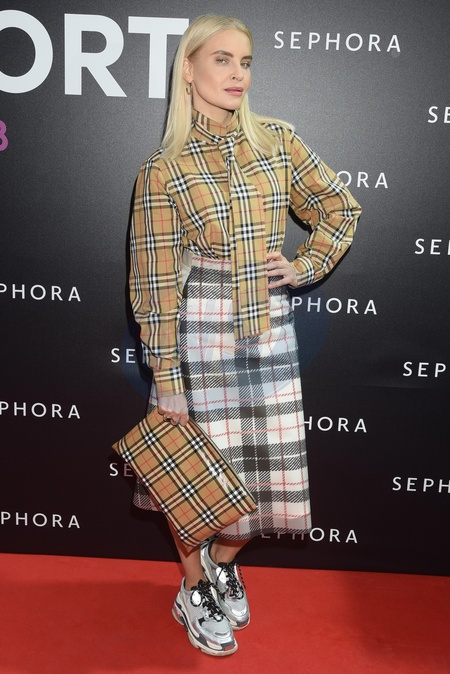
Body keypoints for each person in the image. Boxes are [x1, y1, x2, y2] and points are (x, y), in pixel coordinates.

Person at [129, 13, 361, 657]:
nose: (238, 75)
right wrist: (167, 378)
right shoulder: (163, 170)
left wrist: (306, 264)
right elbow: (153, 282)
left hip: (267, 328)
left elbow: (340, 208)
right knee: (196, 478)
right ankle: (193, 585)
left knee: (264, 478)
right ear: (189, 68)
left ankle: (223, 563)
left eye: (246, 62)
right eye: (222, 60)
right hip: (199, 330)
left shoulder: (277, 141)